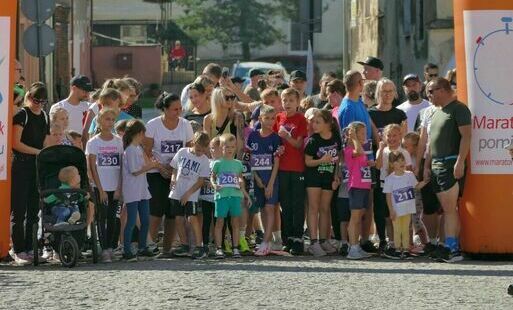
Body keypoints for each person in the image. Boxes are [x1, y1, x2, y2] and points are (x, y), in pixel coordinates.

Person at [426, 77, 471, 263]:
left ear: (442, 89)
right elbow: (430, 143)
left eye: (431, 91)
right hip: (436, 165)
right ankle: (449, 246)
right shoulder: (436, 112)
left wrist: (460, 162)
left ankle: (453, 250)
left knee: (450, 209)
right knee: (446, 209)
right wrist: (427, 166)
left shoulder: (459, 109)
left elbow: (466, 136)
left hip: (449, 163)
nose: (428, 95)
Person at [144, 92, 194, 256]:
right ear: (164, 109)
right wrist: (160, 168)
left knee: (173, 212)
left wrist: (175, 169)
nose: (178, 112)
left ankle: (167, 248)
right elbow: (147, 150)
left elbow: (189, 149)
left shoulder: (185, 125)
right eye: (174, 109)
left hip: (178, 173)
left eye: (180, 108)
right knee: (156, 211)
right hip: (156, 172)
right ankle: (149, 246)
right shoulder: (153, 125)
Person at [10, 82, 50, 265]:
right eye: (36, 100)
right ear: (29, 97)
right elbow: (15, 143)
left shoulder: (44, 116)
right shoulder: (22, 114)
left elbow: (46, 141)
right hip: (21, 165)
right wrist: (37, 152)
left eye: (43, 101)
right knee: (19, 211)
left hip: (36, 166)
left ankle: (31, 247)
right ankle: (18, 250)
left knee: (34, 210)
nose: (39, 104)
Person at [337, 70, 376, 253]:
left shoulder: (359, 102)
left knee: (364, 207)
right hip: (354, 164)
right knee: (353, 209)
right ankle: (349, 244)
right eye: (362, 82)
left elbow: (368, 123)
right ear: (359, 84)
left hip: (365, 159)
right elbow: (347, 138)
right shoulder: (347, 107)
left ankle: (360, 241)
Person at [86, 108, 124, 263]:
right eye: (107, 119)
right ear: (99, 122)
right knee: (101, 218)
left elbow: (122, 166)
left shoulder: (118, 141)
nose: (110, 122)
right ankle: (104, 249)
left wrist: (119, 188)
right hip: (100, 187)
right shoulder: (93, 142)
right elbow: (92, 167)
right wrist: (100, 189)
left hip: (115, 187)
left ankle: (111, 247)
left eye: (112, 119)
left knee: (113, 218)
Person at [273, 88, 308, 255]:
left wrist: (286, 137)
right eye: (285, 100)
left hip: (297, 168)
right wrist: (277, 148)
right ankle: (287, 238)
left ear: (298, 102)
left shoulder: (301, 119)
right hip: (282, 168)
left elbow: (299, 144)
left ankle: (298, 238)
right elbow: (274, 140)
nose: (287, 104)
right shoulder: (278, 117)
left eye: (291, 101)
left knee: (297, 204)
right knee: (285, 205)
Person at [168, 132, 211, 259]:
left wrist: (188, 194)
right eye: (198, 149)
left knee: (192, 218)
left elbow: (201, 181)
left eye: (203, 150)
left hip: (191, 194)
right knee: (178, 218)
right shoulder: (182, 152)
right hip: (177, 192)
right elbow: (175, 168)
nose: (200, 152)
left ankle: (199, 246)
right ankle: (184, 245)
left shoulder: (204, 160)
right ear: (193, 143)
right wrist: (173, 179)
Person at [304, 110, 342, 256]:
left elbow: (338, 158)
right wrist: (321, 161)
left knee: (325, 208)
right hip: (314, 177)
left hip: (329, 177)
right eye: (313, 122)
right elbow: (307, 161)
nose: (314, 125)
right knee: (314, 208)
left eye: (318, 122)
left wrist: (336, 175)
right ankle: (313, 242)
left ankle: (324, 240)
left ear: (328, 124)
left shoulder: (335, 138)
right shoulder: (313, 140)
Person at [246, 105, 281, 256]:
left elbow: (277, 163)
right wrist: (257, 179)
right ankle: (265, 240)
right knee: (261, 209)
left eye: (273, 118)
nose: (270, 121)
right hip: (257, 178)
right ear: (260, 118)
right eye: (267, 118)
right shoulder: (253, 136)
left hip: (271, 179)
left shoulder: (276, 138)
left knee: (270, 208)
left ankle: (267, 241)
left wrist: (270, 184)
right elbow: (251, 159)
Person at [122, 119, 159, 261]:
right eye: (143, 133)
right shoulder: (130, 150)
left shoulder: (138, 149)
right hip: (132, 190)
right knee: (131, 221)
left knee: (145, 220)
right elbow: (134, 171)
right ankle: (126, 250)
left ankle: (142, 247)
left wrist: (150, 164)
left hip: (142, 189)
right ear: (139, 133)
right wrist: (150, 166)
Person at [211, 133, 251, 259]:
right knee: (219, 222)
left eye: (232, 147)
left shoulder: (238, 164)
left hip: (235, 196)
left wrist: (246, 196)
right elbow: (212, 177)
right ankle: (219, 248)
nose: (229, 149)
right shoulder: (217, 163)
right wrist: (214, 185)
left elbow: (240, 181)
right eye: (227, 147)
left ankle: (235, 248)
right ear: (221, 147)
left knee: (235, 223)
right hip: (221, 196)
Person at [375, 123, 412, 257]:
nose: (391, 138)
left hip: (401, 188)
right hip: (385, 186)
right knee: (389, 216)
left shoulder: (404, 152)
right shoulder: (382, 151)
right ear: (384, 137)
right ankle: (392, 243)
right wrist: (380, 149)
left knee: (404, 217)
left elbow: (409, 170)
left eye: (394, 135)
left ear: (400, 136)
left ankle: (405, 245)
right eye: (388, 135)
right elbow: (378, 166)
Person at [383, 151, 427, 259]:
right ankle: (398, 249)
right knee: (397, 229)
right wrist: (391, 210)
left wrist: (425, 181)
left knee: (406, 229)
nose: (401, 162)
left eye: (402, 160)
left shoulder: (409, 175)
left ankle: (406, 249)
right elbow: (388, 196)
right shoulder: (389, 179)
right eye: (398, 161)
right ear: (392, 164)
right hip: (396, 211)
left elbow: (416, 186)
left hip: (407, 209)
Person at [344, 121, 373, 260]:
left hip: (364, 186)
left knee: (360, 216)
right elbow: (359, 152)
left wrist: (368, 163)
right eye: (361, 133)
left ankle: (356, 245)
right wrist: (354, 138)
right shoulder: (350, 149)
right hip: (356, 187)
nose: (364, 136)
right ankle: (353, 247)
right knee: (354, 218)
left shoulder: (359, 148)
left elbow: (361, 161)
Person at [402, 132, 429, 252]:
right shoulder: (404, 158)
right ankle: (410, 244)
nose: (405, 149)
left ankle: (426, 243)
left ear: (416, 146)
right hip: (407, 193)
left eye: (407, 146)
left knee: (416, 220)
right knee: (408, 220)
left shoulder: (420, 160)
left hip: (416, 193)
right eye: (404, 146)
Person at [203, 87, 245, 158]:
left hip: (231, 161)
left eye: (232, 97)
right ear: (217, 99)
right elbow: (207, 145)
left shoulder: (237, 117)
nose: (230, 100)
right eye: (226, 97)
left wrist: (238, 163)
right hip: (215, 162)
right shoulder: (208, 119)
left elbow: (240, 143)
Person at [199, 136, 222, 255]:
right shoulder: (205, 161)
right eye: (211, 148)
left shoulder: (224, 163)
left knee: (219, 221)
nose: (213, 150)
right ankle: (205, 244)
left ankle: (219, 244)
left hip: (219, 198)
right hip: (206, 197)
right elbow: (199, 178)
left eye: (216, 148)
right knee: (206, 220)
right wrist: (204, 182)